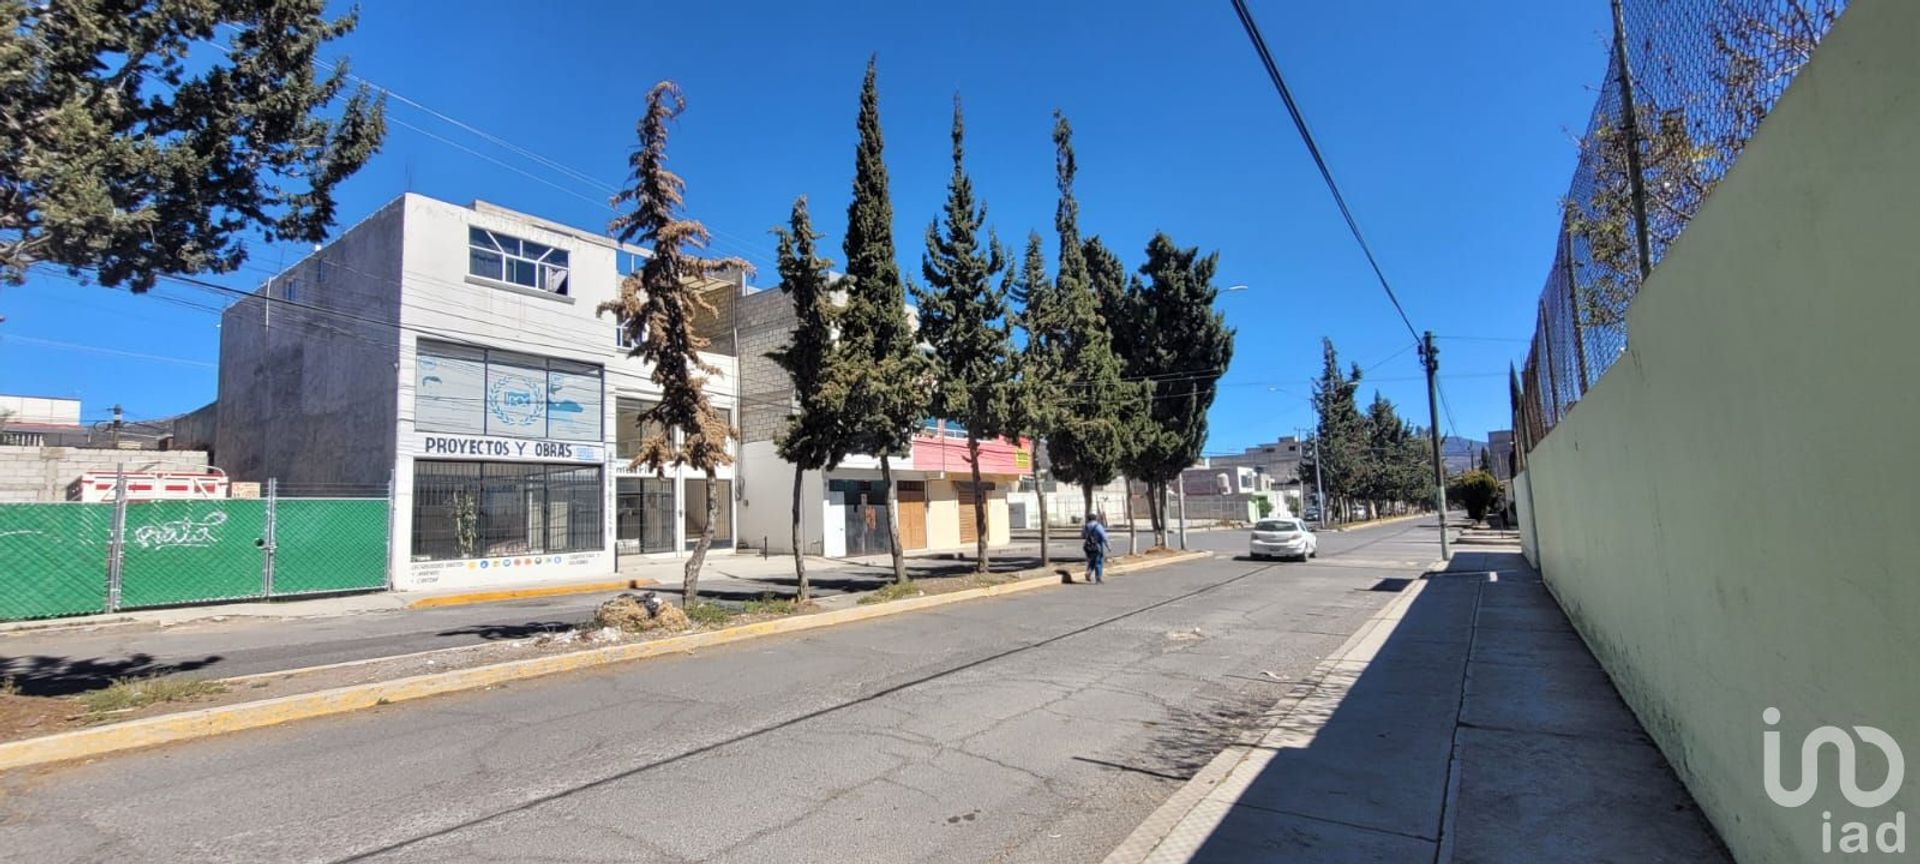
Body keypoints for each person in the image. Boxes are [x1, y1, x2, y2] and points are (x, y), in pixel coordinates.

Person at [1082, 513, 1110, 584]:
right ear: (1095, 519)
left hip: (1088, 546)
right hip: (1097, 545)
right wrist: (1108, 546)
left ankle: (1089, 571)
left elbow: (1083, 535)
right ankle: (1098, 578)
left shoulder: (1086, 526)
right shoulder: (1098, 526)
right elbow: (1104, 536)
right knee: (1098, 561)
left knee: (1092, 560)